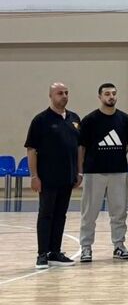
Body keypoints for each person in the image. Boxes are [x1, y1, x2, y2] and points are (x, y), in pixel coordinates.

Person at [26, 82, 81, 269]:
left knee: (60, 215)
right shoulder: (40, 120)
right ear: (51, 96)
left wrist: (79, 172)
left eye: (66, 92)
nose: (64, 96)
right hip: (47, 178)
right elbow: (31, 149)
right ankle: (42, 254)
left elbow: (79, 148)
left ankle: (55, 252)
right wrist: (34, 176)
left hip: (68, 177)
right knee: (46, 214)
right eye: (59, 93)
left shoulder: (74, 119)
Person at [78, 83, 128, 263]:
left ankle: (119, 246)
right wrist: (80, 171)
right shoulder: (89, 120)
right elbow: (82, 147)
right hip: (94, 172)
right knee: (89, 213)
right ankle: (86, 247)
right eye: (107, 94)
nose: (111, 97)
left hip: (118, 172)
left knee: (119, 212)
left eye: (114, 93)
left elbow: (126, 146)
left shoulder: (125, 119)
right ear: (100, 97)